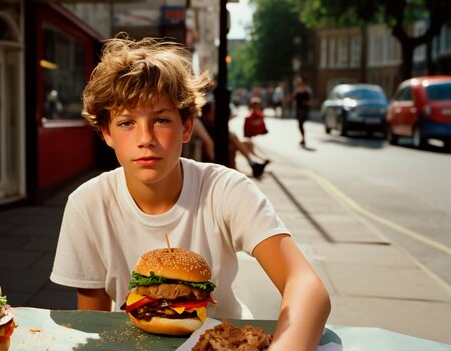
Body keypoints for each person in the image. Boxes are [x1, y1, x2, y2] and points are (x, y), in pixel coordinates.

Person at [50, 36, 330, 351]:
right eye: (127, 122)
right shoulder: (87, 204)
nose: (146, 139)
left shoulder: (227, 190)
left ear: (186, 128)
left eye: (161, 120)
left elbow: (306, 285)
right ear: (106, 133)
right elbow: (92, 321)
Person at [202, 99, 269, 178]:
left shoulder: (214, 123)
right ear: (207, 113)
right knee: (232, 144)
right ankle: (252, 163)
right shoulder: (206, 125)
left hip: (224, 144)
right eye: (213, 111)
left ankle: (253, 162)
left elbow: (233, 116)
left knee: (247, 142)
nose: (215, 113)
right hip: (217, 148)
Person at [292, 76, 312, 147]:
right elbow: (293, 98)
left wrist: (306, 103)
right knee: (300, 125)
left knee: (301, 123)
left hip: (304, 109)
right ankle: (303, 138)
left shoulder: (307, 90)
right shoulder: (297, 90)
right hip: (299, 109)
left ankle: (303, 138)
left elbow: (310, 101)